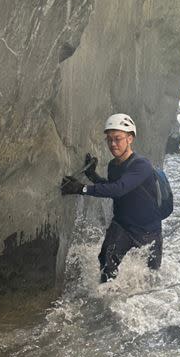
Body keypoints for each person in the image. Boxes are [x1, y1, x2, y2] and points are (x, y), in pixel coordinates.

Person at [60, 113, 162, 282]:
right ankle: (107, 301)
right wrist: (92, 175)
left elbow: (119, 189)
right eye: (109, 139)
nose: (112, 144)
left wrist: (81, 189)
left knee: (152, 278)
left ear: (130, 138)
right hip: (123, 226)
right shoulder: (114, 165)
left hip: (148, 231)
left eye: (118, 139)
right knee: (106, 263)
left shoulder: (141, 165)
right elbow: (112, 187)